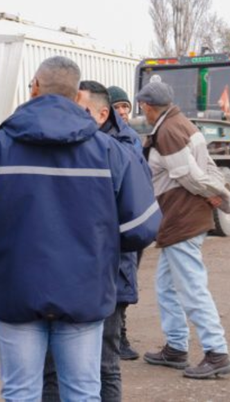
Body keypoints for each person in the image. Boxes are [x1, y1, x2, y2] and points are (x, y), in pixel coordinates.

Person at [0, 56, 161, 401]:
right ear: (75, 97)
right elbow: (142, 227)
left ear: (34, 88)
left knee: (22, 393)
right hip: (85, 292)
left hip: (14, 292)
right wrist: (100, 246)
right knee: (83, 392)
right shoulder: (111, 153)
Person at [42, 80, 148, 402]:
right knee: (54, 366)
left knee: (104, 364)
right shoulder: (71, 141)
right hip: (67, 273)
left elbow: (138, 221)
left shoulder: (124, 147)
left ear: (103, 114)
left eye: (83, 110)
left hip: (110, 274)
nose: (76, 116)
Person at [137, 81, 230, 379]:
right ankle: (176, 348)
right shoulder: (183, 124)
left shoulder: (167, 132)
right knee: (167, 287)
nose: (142, 111)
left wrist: (217, 196)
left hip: (182, 218)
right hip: (180, 219)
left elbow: (189, 175)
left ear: (148, 106)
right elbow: (207, 166)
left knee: (192, 288)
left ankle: (217, 353)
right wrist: (215, 192)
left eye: (142, 106)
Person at [107, 85, 142, 362]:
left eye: (126, 107)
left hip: (129, 219)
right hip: (110, 221)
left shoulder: (131, 137)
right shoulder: (101, 137)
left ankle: (120, 336)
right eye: (118, 107)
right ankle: (116, 339)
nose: (123, 112)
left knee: (126, 278)